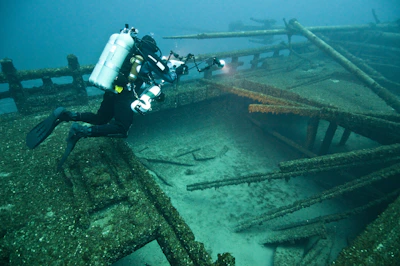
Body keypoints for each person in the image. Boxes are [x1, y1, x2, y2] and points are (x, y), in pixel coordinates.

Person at [26, 31, 183, 170]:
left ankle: (67, 115)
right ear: (153, 46)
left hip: (112, 89)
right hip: (125, 94)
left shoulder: (131, 52)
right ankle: (81, 131)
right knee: (121, 128)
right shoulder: (147, 54)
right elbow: (169, 76)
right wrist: (179, 70)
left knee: (101, 118)